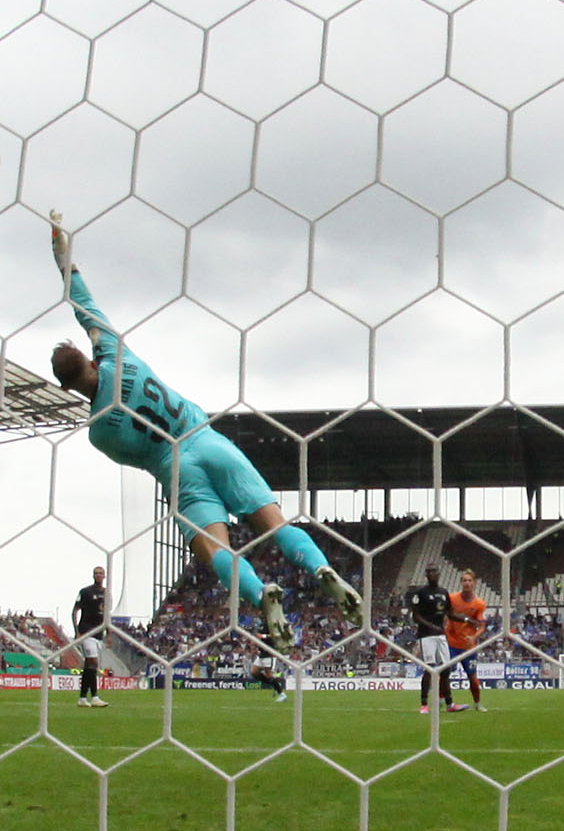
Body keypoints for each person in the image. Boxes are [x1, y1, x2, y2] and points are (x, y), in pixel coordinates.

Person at [47, 212, 361, 653]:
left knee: (214, 549)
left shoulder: (100, 434)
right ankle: (321, 567)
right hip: (205, 439)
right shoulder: (120, 354)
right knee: (273, 523)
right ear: (89, 355)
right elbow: (84, 304)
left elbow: (138, 458)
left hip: (174, 468)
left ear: (67, 385)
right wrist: (63, 255)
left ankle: (258, 593)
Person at [413, 563, 466, 714]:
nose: (432, 573)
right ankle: (424, 704)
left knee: (446, 669)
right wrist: (431, 626)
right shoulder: (420, 593)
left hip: (441, 635)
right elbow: (415, 616)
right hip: (426, 635)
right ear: (426, 575)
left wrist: (467, 620)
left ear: (439, 573)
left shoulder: (443, 592)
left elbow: (450, 614)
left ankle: (450, 704)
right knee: (429, 668)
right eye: (429, 571)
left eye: (434, 571)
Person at [445, 568, 489, 712]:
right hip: (451, 643)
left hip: (468, 646)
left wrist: (474, 637)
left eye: (470, 580)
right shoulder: (452, 599)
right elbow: (446, 614)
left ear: (474, 583)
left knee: (473, 678)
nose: (467, 583)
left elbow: (482, 626)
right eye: (464, 580)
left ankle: (477, 703)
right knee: (444, 674)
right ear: (461, 582)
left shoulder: (479, 604)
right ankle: (442, 701)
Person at [73, 565, 109, 708]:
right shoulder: (85, 592)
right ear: (93, 575)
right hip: (86, 631)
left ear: (104, 576)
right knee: (93, 662)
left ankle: (82, 698)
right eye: (96, 573)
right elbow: (75, 611)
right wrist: (77, 631)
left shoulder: (107, 593)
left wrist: (109, 633)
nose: (98, 575)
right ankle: (94, 697)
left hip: (99, 633)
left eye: (101, 573)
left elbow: (107, 614)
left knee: (89, 666)